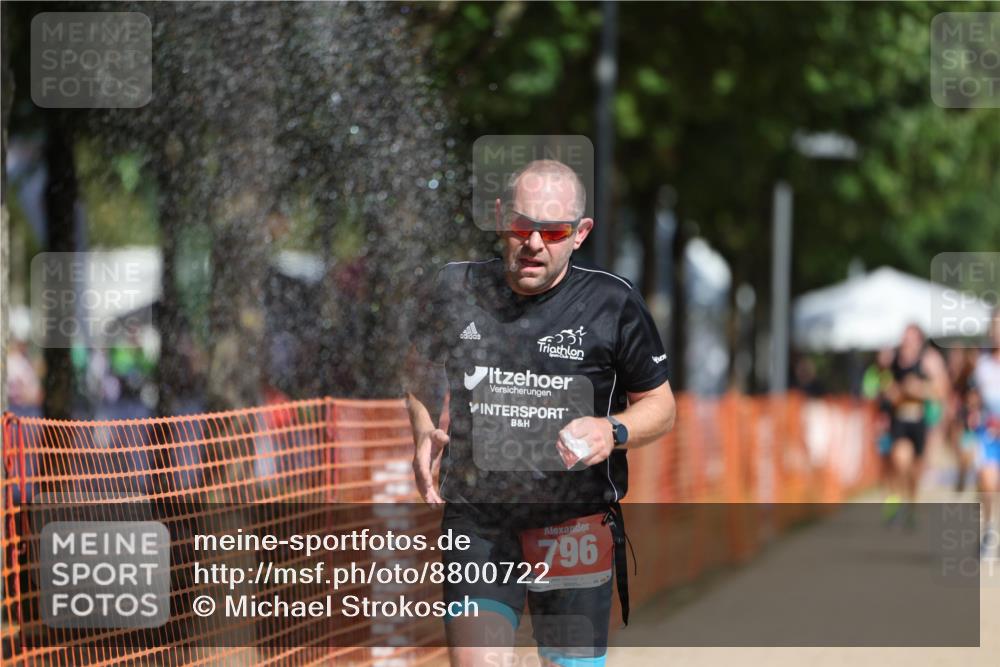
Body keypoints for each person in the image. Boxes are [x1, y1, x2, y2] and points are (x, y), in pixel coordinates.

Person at [404, 158, 676, 667]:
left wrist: (611, 429)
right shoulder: (454, 288)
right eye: (521, 226)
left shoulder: (612, 303)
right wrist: (422, 426)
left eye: (552, 231)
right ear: (499, 216)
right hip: (480, 521)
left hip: (573, 526)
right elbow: (415, 369)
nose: (533, 244)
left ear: (580, 233)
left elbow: (660, 406)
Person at [883, 324, 948, 525]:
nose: (907, 342)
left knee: (914, 470)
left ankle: (911, 503)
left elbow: (942, 390)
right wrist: (892, 391)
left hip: (920, 422)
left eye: (912, 338)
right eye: (905, 337)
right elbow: (882, 382)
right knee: (899, 459)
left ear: (920, 340)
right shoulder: (892, 359)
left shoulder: (929, 360)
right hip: (899, 421)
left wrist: (918, 389)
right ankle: (894, 502)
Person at [972, 311, 1000, 557]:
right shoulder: (982, 364)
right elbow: (973, 398)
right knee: (988, 483)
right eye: (994, 326)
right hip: (989, 434)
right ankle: (989, 531)